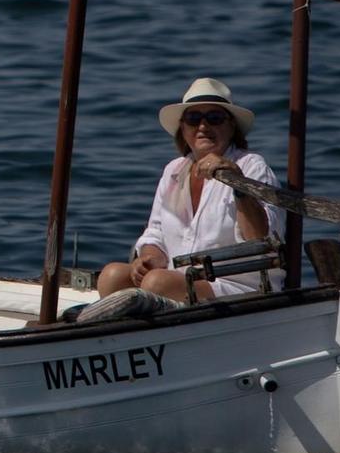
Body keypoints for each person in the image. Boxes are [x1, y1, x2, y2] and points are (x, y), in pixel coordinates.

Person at [94, 79, 287, 303]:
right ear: (182, 128)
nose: (203, 127)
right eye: (194, 119)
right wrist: (149, 258)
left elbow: (262, 239)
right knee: (112, 276)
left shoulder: (252, 166)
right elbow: (155, 232)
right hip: (180, 277)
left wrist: (238, 184)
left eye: (214, 118)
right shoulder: (174, 170)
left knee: (157, 283)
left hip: (237, 284)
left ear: (231, 126)